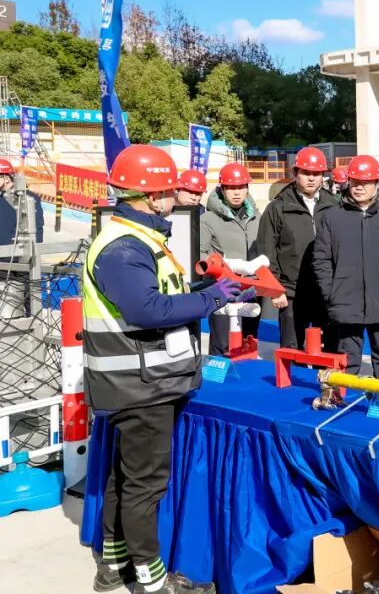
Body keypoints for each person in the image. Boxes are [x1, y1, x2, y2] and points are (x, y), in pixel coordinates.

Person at [84, 145, 248, 594]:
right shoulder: (124, 247)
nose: (176, 197)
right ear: (152, 195)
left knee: (126, 477)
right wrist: (211, 299)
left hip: (143, 381)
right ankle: (152, 582)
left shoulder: (138, 240)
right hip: (141, 385)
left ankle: (113, 564)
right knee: (146, 485)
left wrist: (207, 288)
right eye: (170, 190)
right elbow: (147, 310)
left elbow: (161, 293)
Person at [312, 155, 379, 378]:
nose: (359, 187)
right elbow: (321, 259)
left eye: (365, 182)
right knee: (347, 360)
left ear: (377, 183)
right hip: (346, 299)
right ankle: (344, 396)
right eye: (355, 182)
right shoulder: (332, 217)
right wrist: (331, 292)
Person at [256, 146, 339, 351]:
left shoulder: (334, 205)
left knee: (327, 350)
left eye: (316, 174)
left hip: (325, 291)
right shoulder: (277, 208)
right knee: (291, 350)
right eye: (306, 173)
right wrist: (275, 290)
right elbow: (267, 252)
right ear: (295, 173)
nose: (311, 178)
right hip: (291, 292)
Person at [200, 163, 261, 357]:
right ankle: (218, 375)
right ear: (222, 189)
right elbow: (201, 256)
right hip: (222, 290)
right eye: (231, 187)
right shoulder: (208, 219)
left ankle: (248, 374)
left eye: (241, 187)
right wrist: (226, 269)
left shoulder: (256, 217)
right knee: (223, 345)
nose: (236, 192)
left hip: (250, 290)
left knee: (249, 342)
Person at [0, 158, 44, 247]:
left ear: (6, 178)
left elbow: (37, 229)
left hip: (16, 252)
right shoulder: (1, 197)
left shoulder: (28, 199)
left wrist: (34, 251)